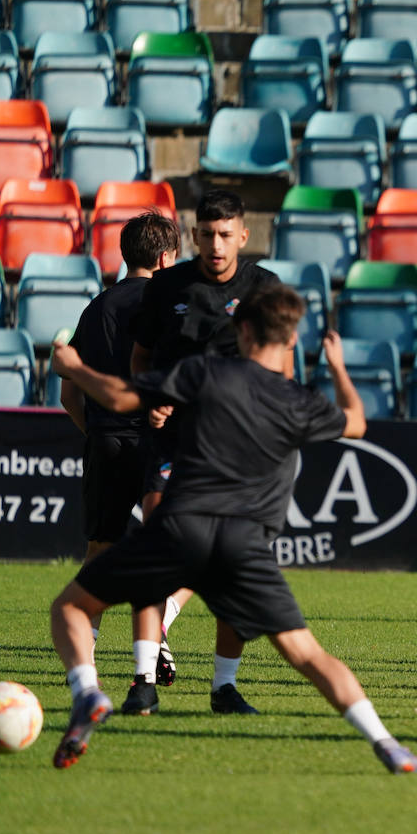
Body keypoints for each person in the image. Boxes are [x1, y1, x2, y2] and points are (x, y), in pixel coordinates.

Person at [48, 286, 417, 774]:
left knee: (71, 607)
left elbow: (121, 396)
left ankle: (87, 693)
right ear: (291, 340)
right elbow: (356, 423)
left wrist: (73, 368)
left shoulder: (202, 373)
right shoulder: (297, 400)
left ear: (242, 331)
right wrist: (336, 365)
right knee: (307, 654)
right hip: (244, 542)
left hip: (180, 527)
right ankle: (388, 745)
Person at [130, 189, 280, 715]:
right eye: (207, 234)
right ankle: (142, 683)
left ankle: (223, 687)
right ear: (193, 236)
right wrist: (151, 398)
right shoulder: (168, 286)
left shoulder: (264, 290)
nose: (216, 245)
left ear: (243, 235)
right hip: (171, 444)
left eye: (226, 235)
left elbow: (277, 370)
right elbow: (142, 356)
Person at [60, 213, 181, 713]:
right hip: (159, 443)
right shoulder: (171, 306)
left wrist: (99, 435)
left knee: (98, 555)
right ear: (164, 258)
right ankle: (156, 639)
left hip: (106, 440)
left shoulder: (95, 308)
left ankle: (86, 683)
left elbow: (70, 392)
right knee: (184, 552)